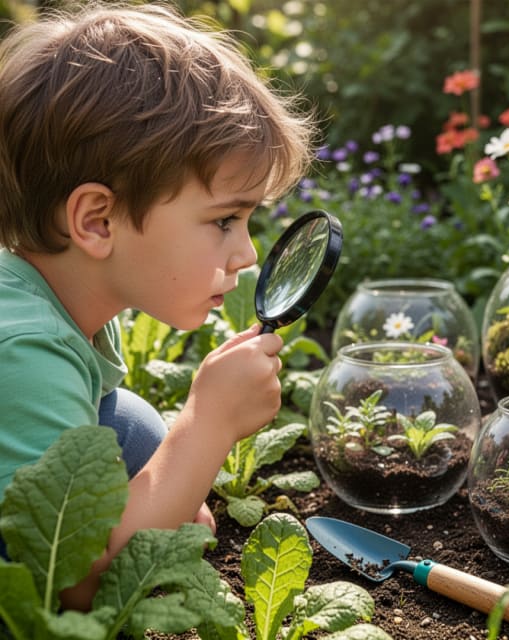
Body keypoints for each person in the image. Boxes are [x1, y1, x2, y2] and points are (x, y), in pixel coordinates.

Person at [0, 1, 315, 610]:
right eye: (224, 220)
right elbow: (69, 585)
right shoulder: (26, 353)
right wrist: (208, 423)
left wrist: (162, 501)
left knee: (127, 422)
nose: (247, 254)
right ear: (97, 221)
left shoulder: (58, 299)